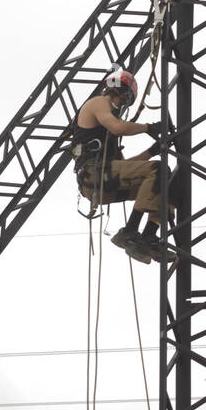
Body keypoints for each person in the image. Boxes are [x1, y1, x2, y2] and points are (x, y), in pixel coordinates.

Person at [71, 67, 168, 263]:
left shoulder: (110, 139)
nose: (122, 103)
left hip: (105, 180)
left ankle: (148, 237)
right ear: (118, 92)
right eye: (123, 98)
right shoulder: (98, 103)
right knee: (158, 170)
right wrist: (148, 128)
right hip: (93, 174)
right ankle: (130, 231)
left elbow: (125, 168)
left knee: (167, 183)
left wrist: (151, 151)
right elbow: (117, 126)